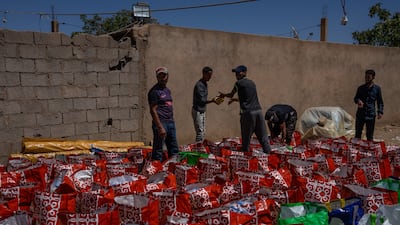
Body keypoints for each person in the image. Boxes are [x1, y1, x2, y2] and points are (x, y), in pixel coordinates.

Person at [219, 65, 271, 153]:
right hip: (258, 112)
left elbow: (231, 94)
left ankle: (246, 158)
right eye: (236, 73)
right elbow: (247, 98)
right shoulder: (252, 83)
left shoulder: (238, 83)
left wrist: (224, 95)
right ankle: (269, 156)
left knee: (246, 139)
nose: (236, 75)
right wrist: (235, 100)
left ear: (244, 73)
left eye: (238, 73)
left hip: (247, 113)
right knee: (263, 137)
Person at [147, 66, 179, 162]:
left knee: (174, 149)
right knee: (158, 151)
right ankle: (157, 172)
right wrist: (160, 127)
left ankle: (173, 170)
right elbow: (153, 110)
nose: (162, 78)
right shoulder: (154, 92)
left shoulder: (167, 90)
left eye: (164, 75)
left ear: (167, 76)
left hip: (170, 122)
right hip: (161, 123)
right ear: (157, 77)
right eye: (160, 76)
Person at [192, 66, 221, 142]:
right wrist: (212, 101)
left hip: (203, 110)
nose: (210, 77)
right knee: (200, 133)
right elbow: (202, 100)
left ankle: (199, 147)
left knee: (203, 132)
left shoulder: (205, 84)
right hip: (198, 111)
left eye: (211, 75)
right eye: (209, 75)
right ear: (204, 74)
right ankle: (197, 150)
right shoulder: (199, 85)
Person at [353, 69, 384, 141]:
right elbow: (355, 98)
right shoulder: (360, 88)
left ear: (373, 77)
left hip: (371, 115)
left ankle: (368, 151)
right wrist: (358, 101)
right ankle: (356, 150)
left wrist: (380, 111)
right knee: (358, 134)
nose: (366, 79)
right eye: (365, 77)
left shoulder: (377, 89)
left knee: (369, 136)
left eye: (368, 77)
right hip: (360, 115)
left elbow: (380, 102)